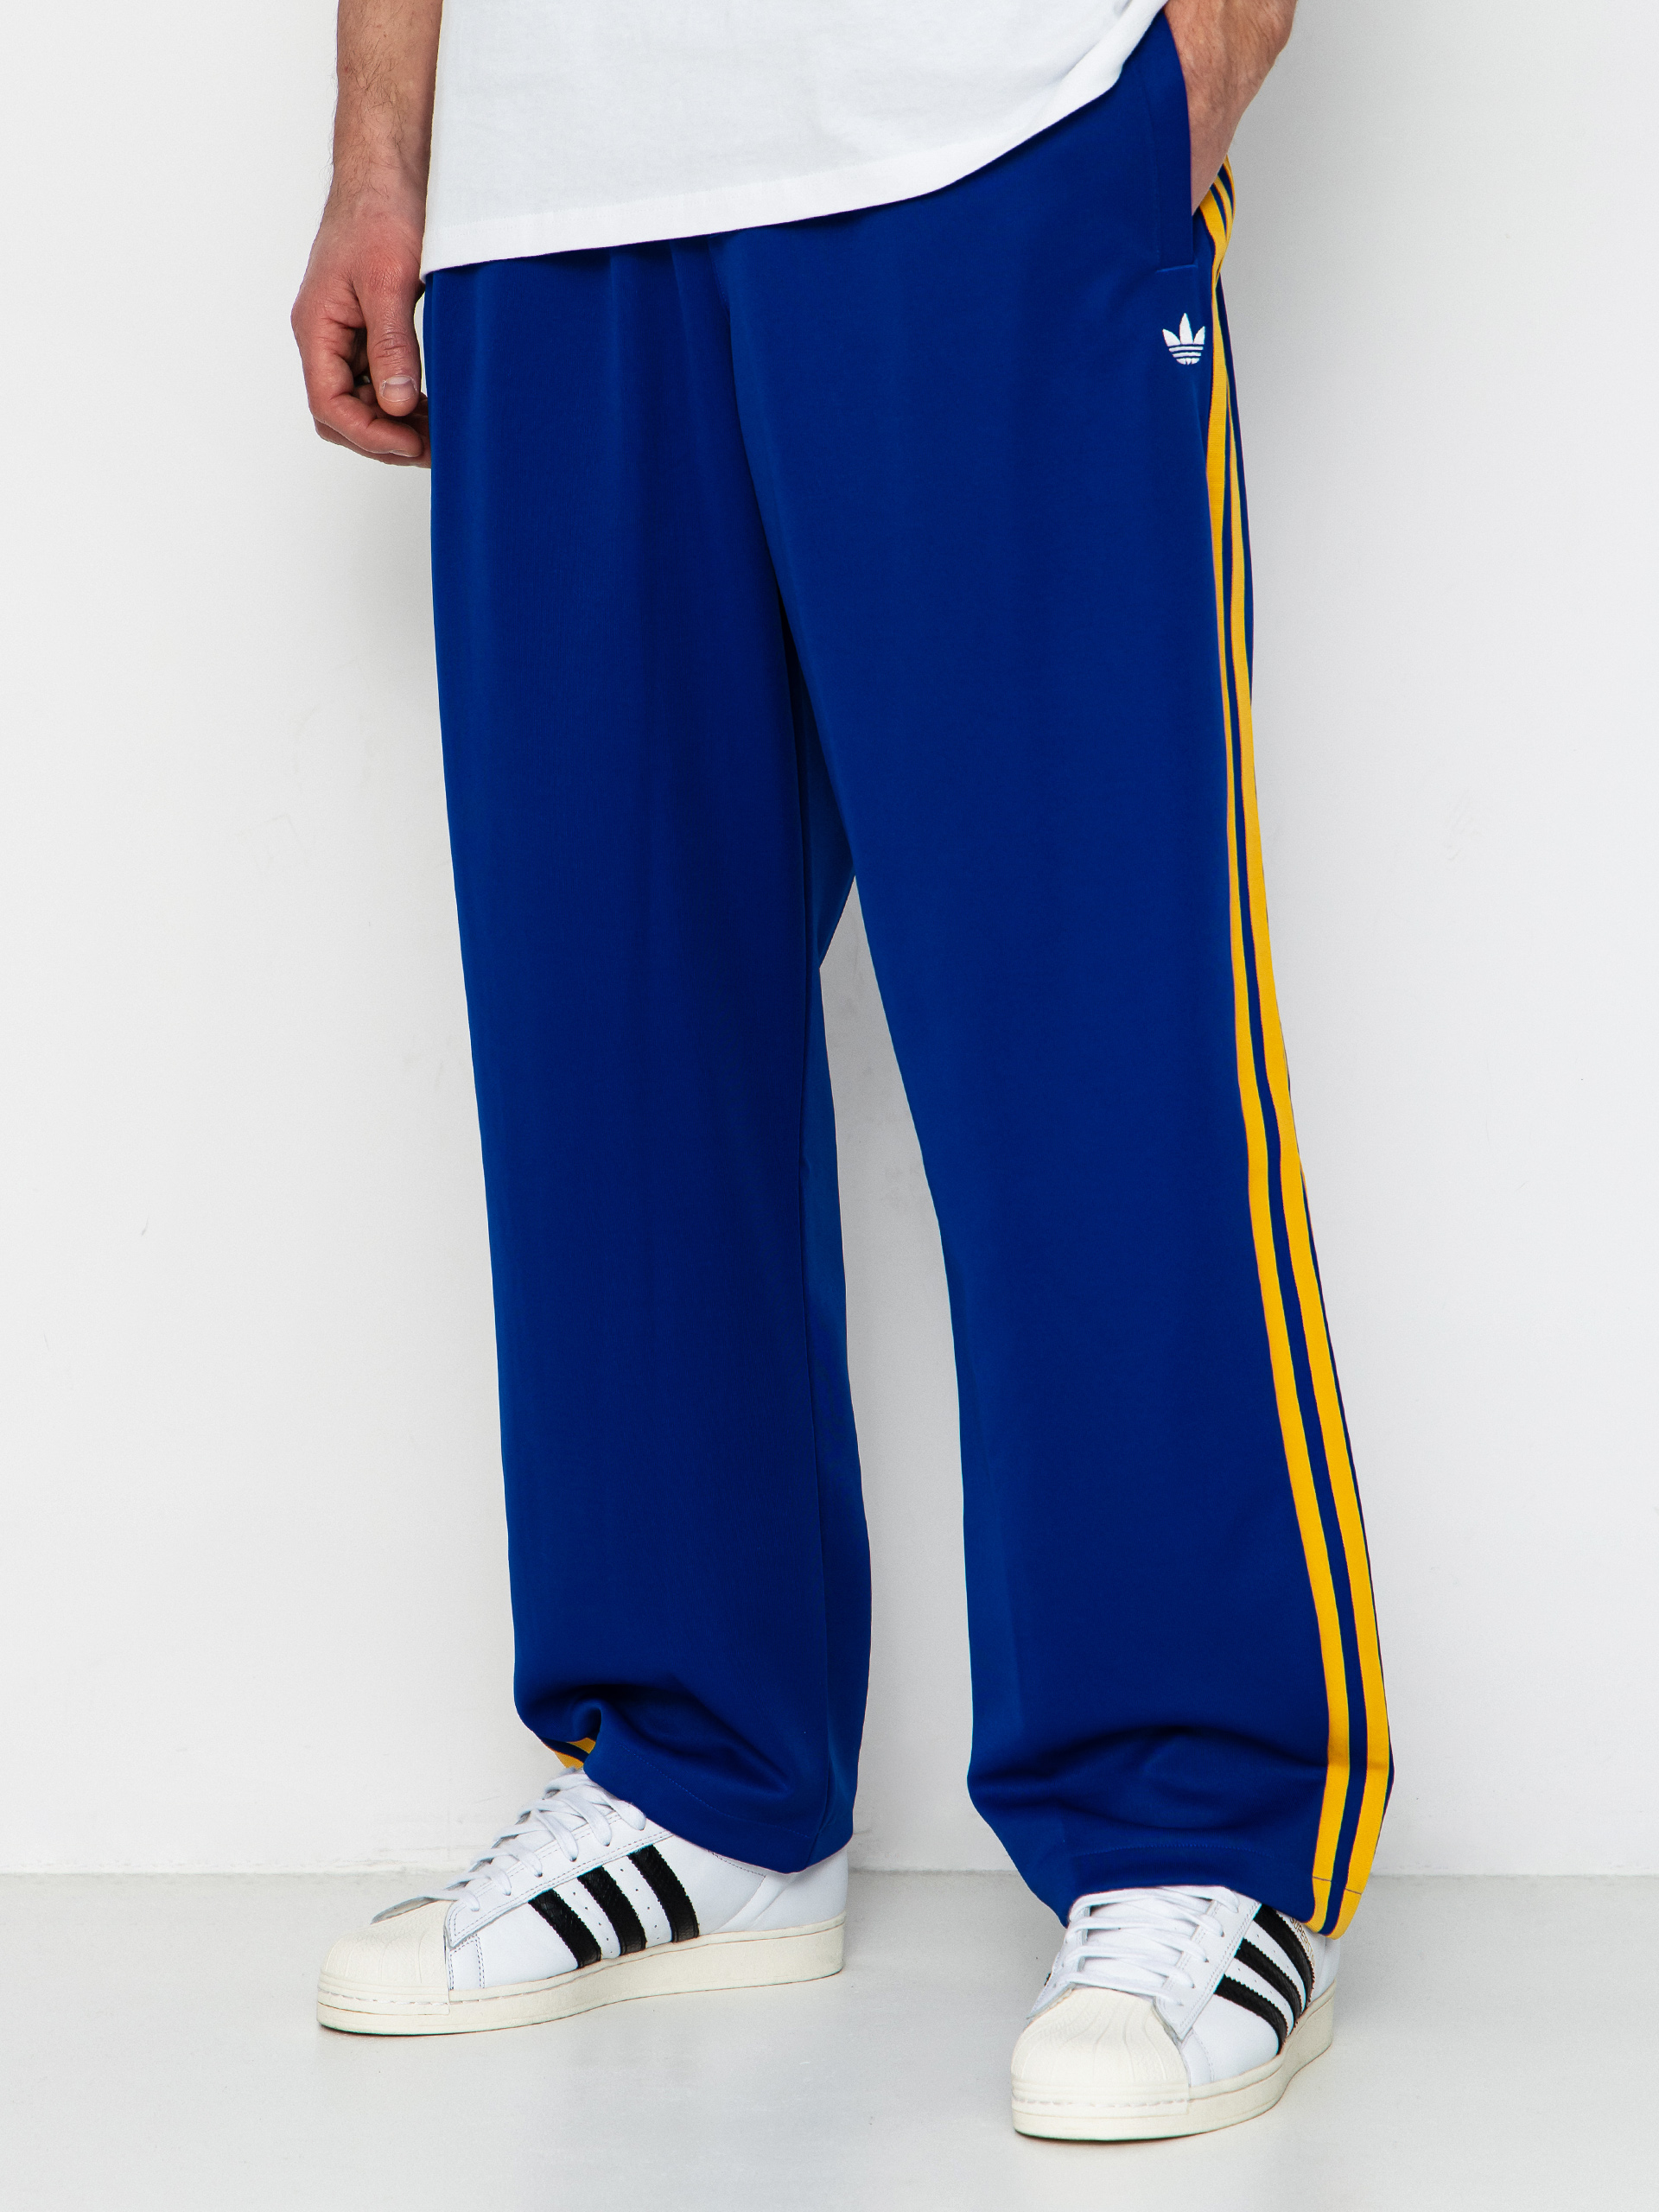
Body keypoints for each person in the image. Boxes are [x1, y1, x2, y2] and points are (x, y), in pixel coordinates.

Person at [292, 0, 1389, 2140]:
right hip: (550, 174)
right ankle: (700, 1777)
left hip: (985, 112)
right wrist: (383, 135)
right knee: (610, 1009)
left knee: (1076, 996)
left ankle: (1198, 1815)